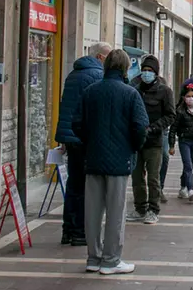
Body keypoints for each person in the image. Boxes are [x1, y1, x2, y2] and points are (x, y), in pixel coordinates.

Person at [73, 49, 149, 275]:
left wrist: (90, 142)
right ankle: (111, 260)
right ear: (125, 68)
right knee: (116, 212)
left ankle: (93, 257)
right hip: (119, 160)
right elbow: (140, 127)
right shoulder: (130, 94)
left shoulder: (90, 91)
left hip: (94, 158)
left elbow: (77, 123)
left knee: (93, 212)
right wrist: (133, 147)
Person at [54, 42, 111, 246]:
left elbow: (65, 107)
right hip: (84, 137)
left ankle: (68, 229)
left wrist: (62, 137)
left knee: (74, 184)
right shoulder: (96, 76)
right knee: (87, 187)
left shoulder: (74, 73)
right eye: (108, 57)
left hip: (71, 137)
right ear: (100, 58)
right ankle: (79, 232)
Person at [128, 55, 176, 225]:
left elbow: (171, 115)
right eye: (144, 70)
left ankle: (153, 210)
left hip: (154, 141)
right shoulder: (135, 89)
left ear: (156, 73)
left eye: (150, 71)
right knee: (136, 177)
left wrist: (154, 127)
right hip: (136, 141)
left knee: (153, 178)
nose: (146, 73)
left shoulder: (165, 91)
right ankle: (140, 208)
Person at [168, 84, 193, 202]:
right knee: (189, 165)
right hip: (184, 141)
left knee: (188, 166)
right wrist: (171, 145)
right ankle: (190, 189)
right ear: (184, 98)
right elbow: (173, 129)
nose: (190, 98)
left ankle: (183, 187)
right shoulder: (179, 112)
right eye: (188, 96)